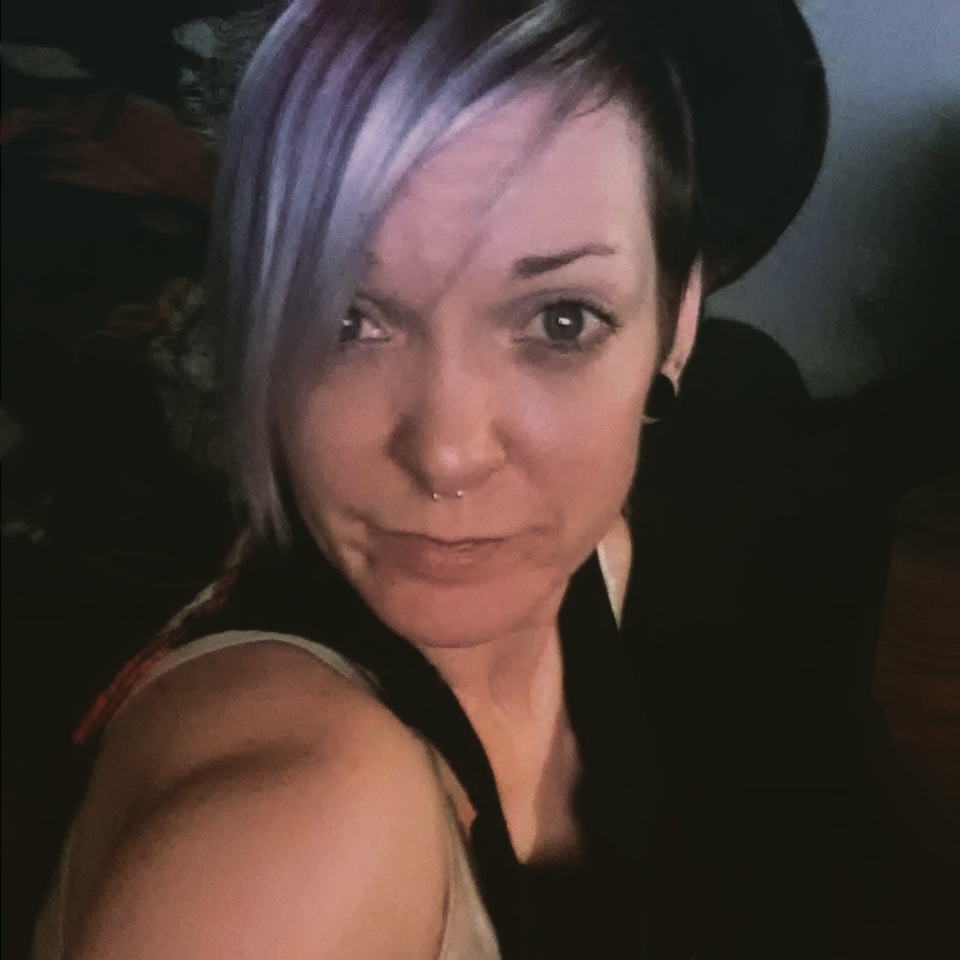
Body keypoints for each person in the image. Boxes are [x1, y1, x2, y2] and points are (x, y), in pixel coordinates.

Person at [34, 1, 835, 957]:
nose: (448, 454)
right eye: (346, 319)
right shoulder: (305, 828)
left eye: (562, 321)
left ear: (678, 321)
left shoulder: (599, 562)